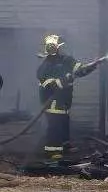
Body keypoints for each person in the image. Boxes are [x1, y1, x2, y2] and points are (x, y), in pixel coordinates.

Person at [36, 34, 100, 162]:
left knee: (64, 122)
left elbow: (80, 70)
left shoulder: (67, 60)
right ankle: (53, 152)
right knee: (55, 124)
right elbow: (49, 85)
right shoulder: (44, 66)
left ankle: (64, 145)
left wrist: (94, 64)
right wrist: (67, 78)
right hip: (52, 101)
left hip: (65, 99)